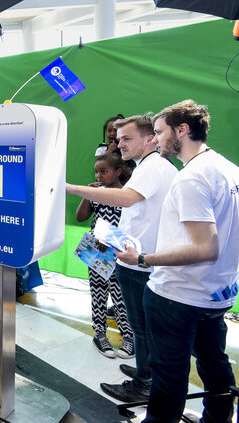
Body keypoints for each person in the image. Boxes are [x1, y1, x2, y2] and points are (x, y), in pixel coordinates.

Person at [116, 100, 239, 423]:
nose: (154, 140)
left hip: (178, 296)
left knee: (169, 376)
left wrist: (142, 258)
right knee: (215, 365)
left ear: (182, 130)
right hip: (215, 294)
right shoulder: (228, 169)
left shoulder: (192, 178)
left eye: (158, 132)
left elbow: (205, 248)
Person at [66, 114, 178, 403]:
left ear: (149, 137)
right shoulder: (150, 168)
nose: (119, 143)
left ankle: (143, 383)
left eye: (126, 138)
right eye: (117, 138)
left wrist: (71, 188)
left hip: (138, 262)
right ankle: (145, 369)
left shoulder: (151, 169)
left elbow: (126, 200)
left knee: (140, 326)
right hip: (127, 255)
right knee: (138, 322)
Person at [74, 153, 134, 359]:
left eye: (104, 171)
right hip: (96, 252)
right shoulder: (97, 192)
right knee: (98, 294)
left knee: (121, 297)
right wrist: (87, 195)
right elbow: (81, 217)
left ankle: (129, 337)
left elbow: (131, 225)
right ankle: (99, 334)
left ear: (118, 171)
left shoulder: (127, 194)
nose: (99, 176)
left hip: (118, 253)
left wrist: (109, 238)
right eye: (97, 171)